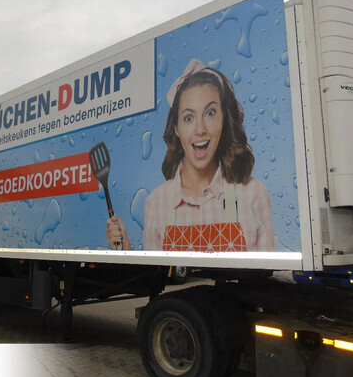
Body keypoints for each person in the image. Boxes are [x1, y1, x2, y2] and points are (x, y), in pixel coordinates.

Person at [106, 59, 274, 252]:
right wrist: (125, 249)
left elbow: (266, 270)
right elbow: (153, 271)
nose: (200, 129)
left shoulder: (253, 194)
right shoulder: (156, 202)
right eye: (188, 118)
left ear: (223, 119)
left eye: (210, 113)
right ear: (176, 128)